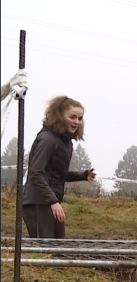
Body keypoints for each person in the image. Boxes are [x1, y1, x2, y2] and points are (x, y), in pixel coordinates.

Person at [22, 96, 96, 238]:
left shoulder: (66, 143)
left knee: (58, 249)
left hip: (51, 202)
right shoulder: (47, 139)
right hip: (38, 202)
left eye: (80, 119)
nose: (76, 122)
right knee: (46, 252)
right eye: (72, 117)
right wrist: (53, 201)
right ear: (59, 116)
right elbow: (35, 173)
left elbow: (56, 174)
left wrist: (82, 175)